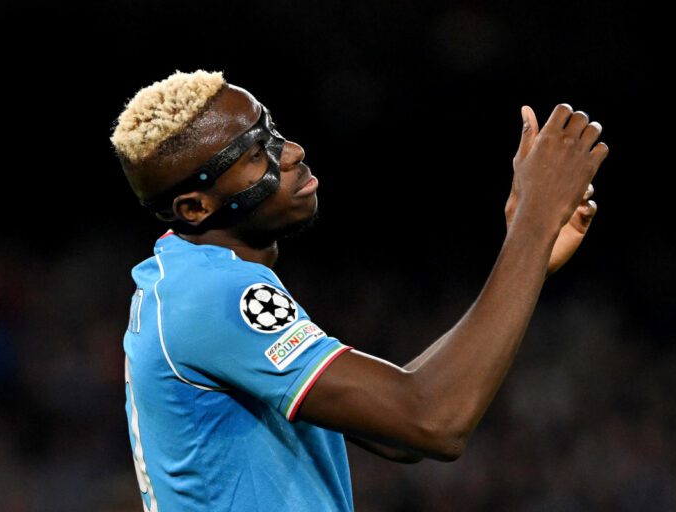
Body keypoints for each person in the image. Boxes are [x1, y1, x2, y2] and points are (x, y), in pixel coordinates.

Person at [110, 69, 608, 511]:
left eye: (274, 132)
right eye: (255, 152)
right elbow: (434, 420)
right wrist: (534, 224)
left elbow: (399, 434)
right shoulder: (213, 294)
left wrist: (530, 255)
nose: (293, 153)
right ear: (195, 207)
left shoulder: (187, 282)